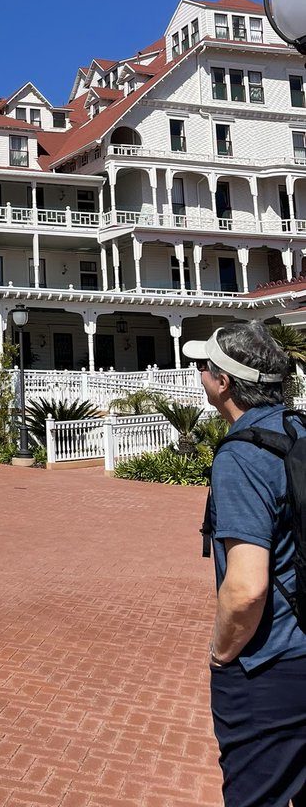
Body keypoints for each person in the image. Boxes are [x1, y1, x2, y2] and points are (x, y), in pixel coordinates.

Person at [182, 321, 306, 807]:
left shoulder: (242, 454)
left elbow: (247, 587)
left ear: (223, 382)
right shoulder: (298, 429)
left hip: (269, 666)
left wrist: (220, 652)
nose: (200, 375)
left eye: (204, 367)